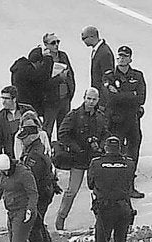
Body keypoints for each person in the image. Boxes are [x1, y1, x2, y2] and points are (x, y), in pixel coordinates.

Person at [55, 88, 110, 231]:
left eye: (94, 99)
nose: (91, 102)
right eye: (89, 99)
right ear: (84, 98)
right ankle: (60, 219)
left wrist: (100, 145)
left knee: (99, 192)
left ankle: (101, 222)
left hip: (95, 159)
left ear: (98, 100)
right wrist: (76, 148)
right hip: (78, 159)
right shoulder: (74, 115)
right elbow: (63, 134)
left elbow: (106, 134)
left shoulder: (100, 116)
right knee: (71, 191)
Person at [87, 136, 136, 242]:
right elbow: (129, 183)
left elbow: (90, 184)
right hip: (123, 207)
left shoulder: (96, 163)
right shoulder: (129, 163)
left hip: (105, 209)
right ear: (119, 148)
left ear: (106, 148)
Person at [103, 46, 146, 199]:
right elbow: (111, 98)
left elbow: (141, 98)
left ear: (130, 59)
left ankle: (129, 187)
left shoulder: (137, 76)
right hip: (116, 121)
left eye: (125, 56)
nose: (121, 59)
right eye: (119, 56)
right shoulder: (109, 76)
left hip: (133, 121)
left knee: (133, 155)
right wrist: (130, 95)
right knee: (115, 154)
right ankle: (115, 188)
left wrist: (121, 94)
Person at [18, 119, 61, 242]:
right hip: (43, 191)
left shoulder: (35, 155)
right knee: (38, 224)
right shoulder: (34, 149)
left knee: (35, 226)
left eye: (24, 137)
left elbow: (30, 179)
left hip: (40, 193)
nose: (22, 141)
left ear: (32, 136)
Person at [41, 33, 76, 139]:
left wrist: (71, 90)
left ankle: (62, 151)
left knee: (64, 128)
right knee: (47, 129)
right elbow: (43, 82)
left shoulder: (63, 55)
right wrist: (59, 78)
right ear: (46, 45)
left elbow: (71, 73)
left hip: (64, 98)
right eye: (53, 43)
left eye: (58, 42)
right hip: (51, 100)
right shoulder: (44, 59)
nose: (56, 45)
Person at [0, 86, 35, 159]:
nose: (3, 102)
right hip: (12, 157)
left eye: (6, 98)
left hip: (30, 152)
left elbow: (38, 128)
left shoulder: (27, 110)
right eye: (2, 98)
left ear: (14, 99)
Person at [9, 47, 53, 115]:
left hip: (21, 103)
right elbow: (43, 77)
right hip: (28, 106)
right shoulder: (28, 71)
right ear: (38, 62)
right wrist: (48, 59)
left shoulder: (21, 67)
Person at [81, 26, 114, 109]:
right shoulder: (97, 50)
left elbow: (107, 79)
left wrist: (102, 102)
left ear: (92, 37)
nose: (83, 41)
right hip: (96, 96)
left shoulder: (104, 53)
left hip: (101, 99)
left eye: (84, 38)